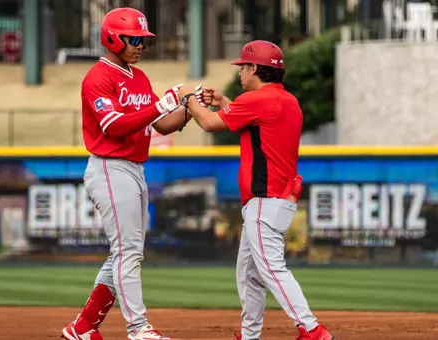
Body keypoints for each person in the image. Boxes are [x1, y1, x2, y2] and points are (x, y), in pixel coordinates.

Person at [178, 40, 336, 340]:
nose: (240, 72)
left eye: (243, 67)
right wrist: (225, 101)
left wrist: (189, 100)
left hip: (265, 199)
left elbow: (210, 124)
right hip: (276, 199)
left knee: (271, 269)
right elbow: (253, 123)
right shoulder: (287, 100)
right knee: (249, 274)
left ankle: (311, 329)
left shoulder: (258, 101)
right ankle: (250, 335)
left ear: (254, 68)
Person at [60, 7, 199, 340]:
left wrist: (189, 107)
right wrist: (159, 106)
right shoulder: (98, 77)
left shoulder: (139, 78)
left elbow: (162, 123)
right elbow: (113, 126)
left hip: (134, 168)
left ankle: (81, 328)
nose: (140, 45)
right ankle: (139, 328)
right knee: (127, 252)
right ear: (111, 38)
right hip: (109, 165)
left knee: (127, 251)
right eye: (133, 39)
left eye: (143, 40)